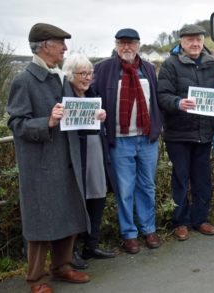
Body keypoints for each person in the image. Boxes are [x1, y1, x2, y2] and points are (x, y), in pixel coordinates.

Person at [7, 23, 90, 293]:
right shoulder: (23, 80)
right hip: (41, 164)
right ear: (44, 46)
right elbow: (17, 124)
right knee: (42, 220)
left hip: (65, 159)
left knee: (67, 212)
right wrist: (48, 122)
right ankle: (35, 278)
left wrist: (91, 115)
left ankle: (62, 266)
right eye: (60, 44)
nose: (65, 48)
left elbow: (70, 113)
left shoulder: (60, 77)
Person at [92, 28, 162, 254]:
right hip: (120, 141)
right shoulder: (103, 69)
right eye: (122, 43)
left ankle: (148, 228)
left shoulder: (148, 69)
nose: (126, 47)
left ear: (139, 45)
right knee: (124, 189)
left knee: (147, 186)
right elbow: (91, 97)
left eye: (131, 43)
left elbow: (157, 101)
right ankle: (129, 234)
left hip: (147, 139)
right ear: (116, 45)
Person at [158, 24, 214, 241]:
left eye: (198, 40)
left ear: (203, 41)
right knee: (180, 178)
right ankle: (181, 222)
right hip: (179, 133)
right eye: (190, 41)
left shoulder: (213, 64)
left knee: (202, 179)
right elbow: (162, 96)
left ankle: (200, 219)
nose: (195, 44)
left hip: (204, 132)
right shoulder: (170, 65)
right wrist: (178, 103)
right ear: (182, 43)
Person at [62, 54, 117, 268]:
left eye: (90, 73)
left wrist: (103, 116)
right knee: (77, 203)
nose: (87, 78)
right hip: (77, 158)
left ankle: (91, 245)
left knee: (98, 197)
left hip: (97, 153)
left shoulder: (94, 94)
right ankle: (72, 251)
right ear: (70, 75)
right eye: (82, 74)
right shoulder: (63, 96)